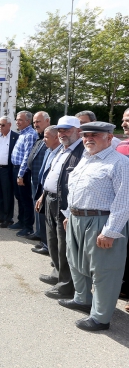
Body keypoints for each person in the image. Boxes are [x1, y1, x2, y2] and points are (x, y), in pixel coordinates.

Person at [61, 121, 129, 331]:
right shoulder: (86, 158)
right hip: (76, 218)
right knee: (75, 262)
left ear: (109, 137)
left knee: (104, 270)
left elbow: (124, 201)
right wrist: (68, 214)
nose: (88, 138)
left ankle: (100, 317)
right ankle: (82, 299)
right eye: (86, 135)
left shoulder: (119, 163)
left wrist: (110, 231)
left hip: (101, 221)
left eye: (95, 135)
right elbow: (76, 188)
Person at [35, 115, 82, 300]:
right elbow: (53, 175)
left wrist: (70, 210)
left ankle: (65, 286)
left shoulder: (80, 152)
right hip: (50, 199)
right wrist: (43, 195)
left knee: (64, 245)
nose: (62, 133)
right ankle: (57, 273)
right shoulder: (62, 149)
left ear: (78, 131)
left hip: (65, 204)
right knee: (52, 240)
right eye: (60, 130)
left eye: (67, 130)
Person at [32, 126, 61, 256]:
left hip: (53, 193)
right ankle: (45, 243)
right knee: (44, 218)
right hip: (44, 189)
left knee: (52, 222)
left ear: (56, 138)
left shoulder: (60, 153)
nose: (43, 139)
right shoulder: (49, 150)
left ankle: (50, 248)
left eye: (46, 137)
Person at [9, 111, 38, 237]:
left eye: (20, 120)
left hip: (23, 171)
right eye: (17, 119)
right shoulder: (22, 133)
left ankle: (28, 227)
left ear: (28, 121)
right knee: (19, 197)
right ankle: (21, 221)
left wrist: (20, 175)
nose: (17, 122)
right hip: (16, 169)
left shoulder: (30, 135)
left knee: (26, 200)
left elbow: (27, 156)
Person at [25, 111, 52, 243]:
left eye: (38, 122)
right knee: (37, 207)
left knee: (42, 210)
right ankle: (39, 232)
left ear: (47, 121)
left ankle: (44, 239)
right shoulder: (39, 137)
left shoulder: (51, 137)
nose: (35, 124)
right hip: (35, 179)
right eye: (34, 122)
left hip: (44, 182)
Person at [0, 117, 18, 228]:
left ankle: (8, 218)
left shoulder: (15, 137)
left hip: (7, 170)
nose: (0, 127)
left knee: (7, 195)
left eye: (3, 125)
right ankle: (0, 216)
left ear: (9, 125)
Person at [116, 107, 129, 311]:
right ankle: (125, 287)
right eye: (123, 119)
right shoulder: (121, 146)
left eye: (128, 120)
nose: (123, 124)